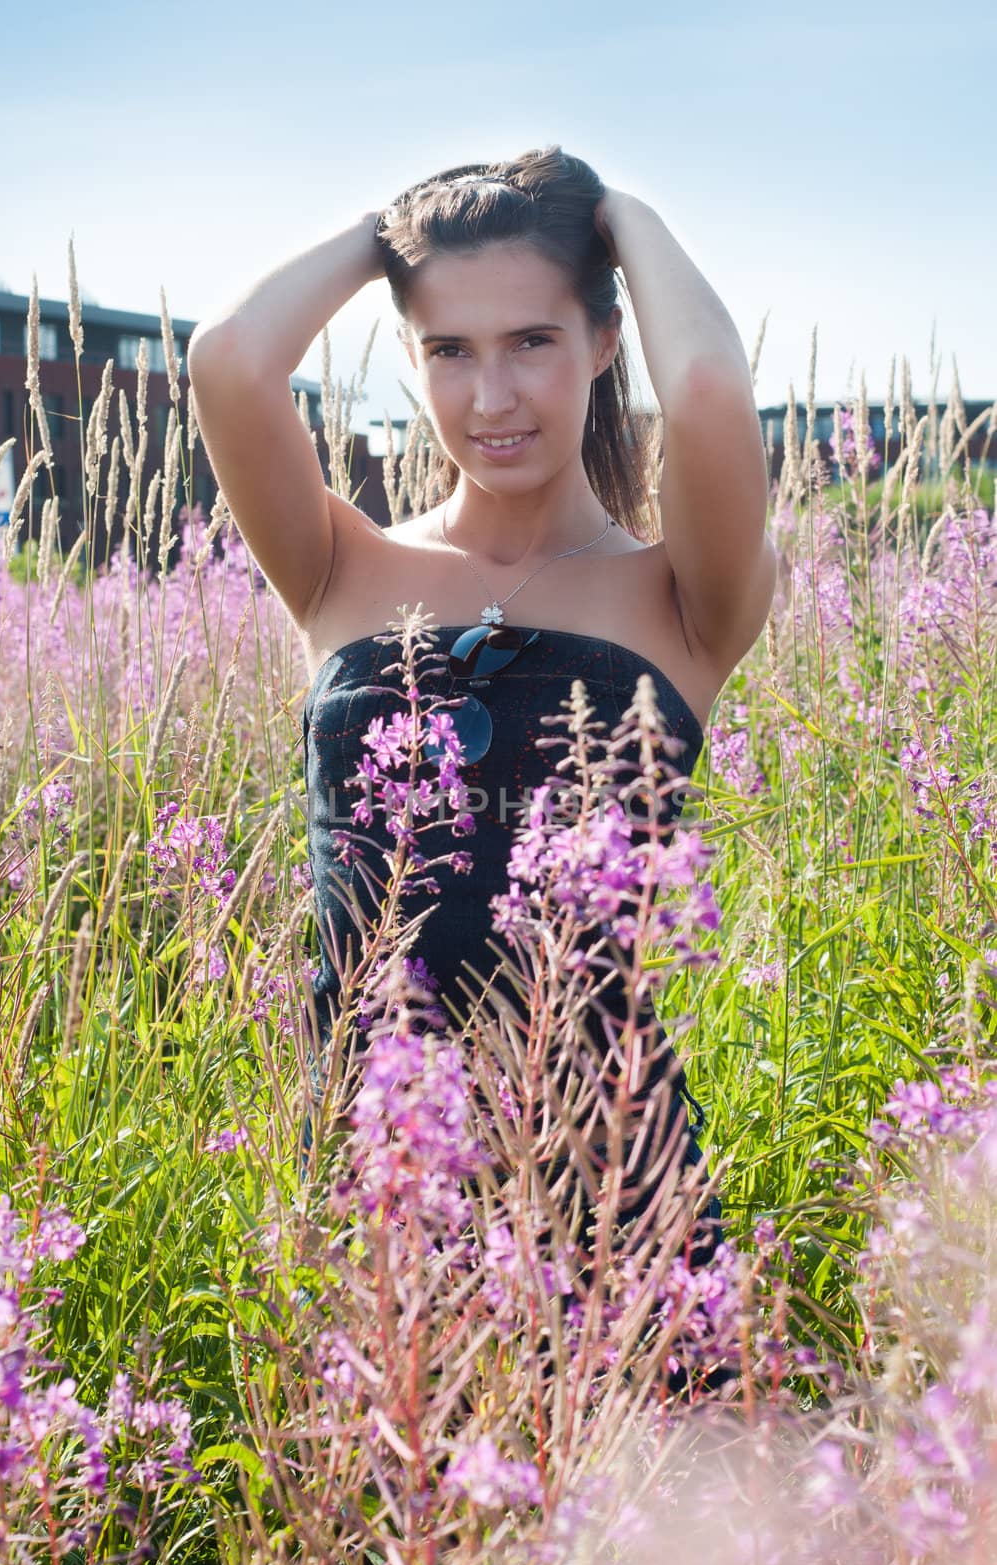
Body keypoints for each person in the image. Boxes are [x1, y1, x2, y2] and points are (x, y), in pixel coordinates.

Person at [188, 145, 775, 1381]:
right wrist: (390, 233)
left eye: (531, 340)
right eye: (447, 350)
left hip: (613, 1184)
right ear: (406, 355)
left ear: (606, 339)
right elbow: (230, 363)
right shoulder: (342, 570)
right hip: (380, 1172)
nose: (491, 395)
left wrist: (620, 213)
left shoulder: (679, 598)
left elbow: (714, 390)